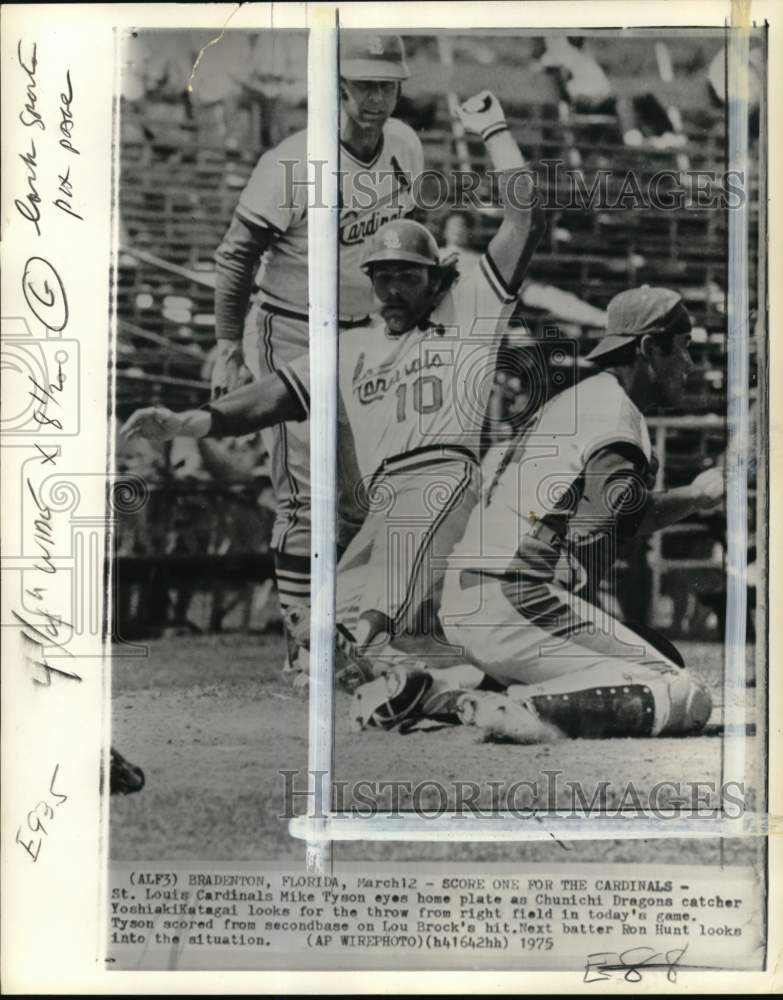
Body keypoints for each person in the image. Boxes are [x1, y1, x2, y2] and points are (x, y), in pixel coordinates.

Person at [122, 89, 545, 684]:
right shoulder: (356, 341)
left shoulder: (473, 304)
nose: (393, 289)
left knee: (368, 622)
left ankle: (389, 644)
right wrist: (195, 421)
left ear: (435, 277)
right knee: (348, 644)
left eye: (407, 276)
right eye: (381, 276)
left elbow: (525, 217)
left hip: (450, 493)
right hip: (387, 515)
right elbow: (277, 395)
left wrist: (495, 129)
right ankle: (438, 672)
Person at [425, 286, 723, 741]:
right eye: (682, 349)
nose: (690, 365)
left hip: (472, 597)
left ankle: (439, 690)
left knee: (657, 656)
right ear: (647, 348)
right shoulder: (617, 415)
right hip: (514, 596)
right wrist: (695, 495)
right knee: (683, 692)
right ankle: (521, 706)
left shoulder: (580, 400)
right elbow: (607, 524)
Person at [211, 33, 424, 668]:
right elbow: (236, 255)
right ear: (337, 87)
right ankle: (304, 647)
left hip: (365, 335)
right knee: (307, 496)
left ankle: (351, 637)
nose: (375, 99)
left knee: (370, 494)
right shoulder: (293, 160)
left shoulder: (406, 147)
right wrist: (226, 344)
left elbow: (402, 242)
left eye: (386, 85)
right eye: (363, 85)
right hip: (291, 328)